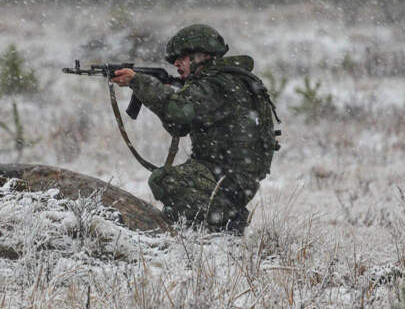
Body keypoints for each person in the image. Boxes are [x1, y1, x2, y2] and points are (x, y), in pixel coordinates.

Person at [111, 24, 280, 234]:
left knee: (165, 180)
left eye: (182, 57)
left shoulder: (218, 84)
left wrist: (140, 82)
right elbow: (179, 126)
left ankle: (225, 222)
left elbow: (179, 110)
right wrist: (158, 92)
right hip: (228, 174)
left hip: (229, 178)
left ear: (202, 56)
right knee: (172, 196)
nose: (176, 63)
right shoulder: (219, 81)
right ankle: (198, 225)